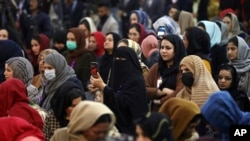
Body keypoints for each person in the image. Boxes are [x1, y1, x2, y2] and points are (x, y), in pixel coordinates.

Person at [90, 47, 148, 135]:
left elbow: (126, 102)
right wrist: (101, 89)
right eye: (115, 59)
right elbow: (114, 96)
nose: (117, 61)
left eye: (121, 59)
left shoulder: (136, 80)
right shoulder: (117, 76)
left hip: (132, 127)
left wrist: (104, 87)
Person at [146, 34, 186, 111]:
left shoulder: (183, 68)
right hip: (157, 113)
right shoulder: (156, 67)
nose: (163, 51)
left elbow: (180, 92)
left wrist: (161, 101)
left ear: (176, 50)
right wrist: (159, 92)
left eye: (168, 48)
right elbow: (144, 89)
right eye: (162, 47)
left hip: (175, 111)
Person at [50, 101, 116, 141]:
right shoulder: (61, 136)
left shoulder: (112, 137)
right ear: (83, 126)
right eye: (97, 132)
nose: (101, 136)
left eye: (105, 132)